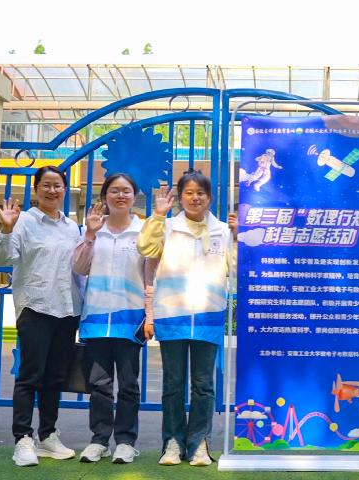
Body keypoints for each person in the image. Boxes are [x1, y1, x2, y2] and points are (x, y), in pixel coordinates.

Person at [137, 169, 237, 467]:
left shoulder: (222, 230)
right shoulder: (168, 227)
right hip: (173, 316)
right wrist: (157, 215)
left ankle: (199, 443)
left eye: (200, 193)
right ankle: (172, 442)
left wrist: (237, 238)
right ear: (180, 198)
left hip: (208, 317)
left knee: (203, 385)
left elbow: (235, 270)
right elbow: (146, 248)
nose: (195, 198)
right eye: (189, 193)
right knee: (173, 384)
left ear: (210, 197)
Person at [0, 165, 81, 467]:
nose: (52, 190)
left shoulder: (72, 227)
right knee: (30, 376)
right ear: (36, 189)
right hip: (36, 308)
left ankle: (48, 435)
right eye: (46, 185)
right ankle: (23, 439)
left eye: (58, 185)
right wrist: (6, 230)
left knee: (55, 377)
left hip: (67, 310)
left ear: (64, 190)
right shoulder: (23, 222)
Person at [73, 173, 156, 464]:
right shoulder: (94, 228)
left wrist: (150, 314)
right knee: (99, 385)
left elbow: (151, 276)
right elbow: (80, 268)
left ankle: (125, 441)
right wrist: (90, 235)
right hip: (96, 319)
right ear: (105, 196)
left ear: (134, 196)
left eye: (126, 191)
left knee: (129, 385)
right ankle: (99, 440)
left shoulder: (143, 231)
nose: (120, 196)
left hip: (130, 320)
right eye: (114, 191)